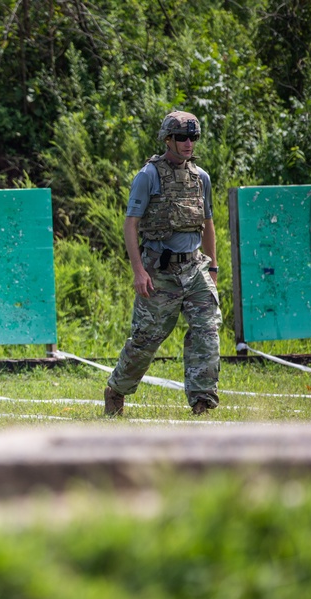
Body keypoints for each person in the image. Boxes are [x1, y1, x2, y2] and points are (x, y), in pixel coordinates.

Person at [104, 110, 221, 417]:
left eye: (192, 137)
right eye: (181, 137)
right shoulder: (148, 176)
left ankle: (201, 401)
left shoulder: (201, 178)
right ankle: (116, 390)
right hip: (160, 271)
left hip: (195, 268)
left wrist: (212, 268)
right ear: (168, 139)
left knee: (206, 331)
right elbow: (131, 224)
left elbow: (208, 224)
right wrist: (138, 271)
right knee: (145, 341)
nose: (187, 143)